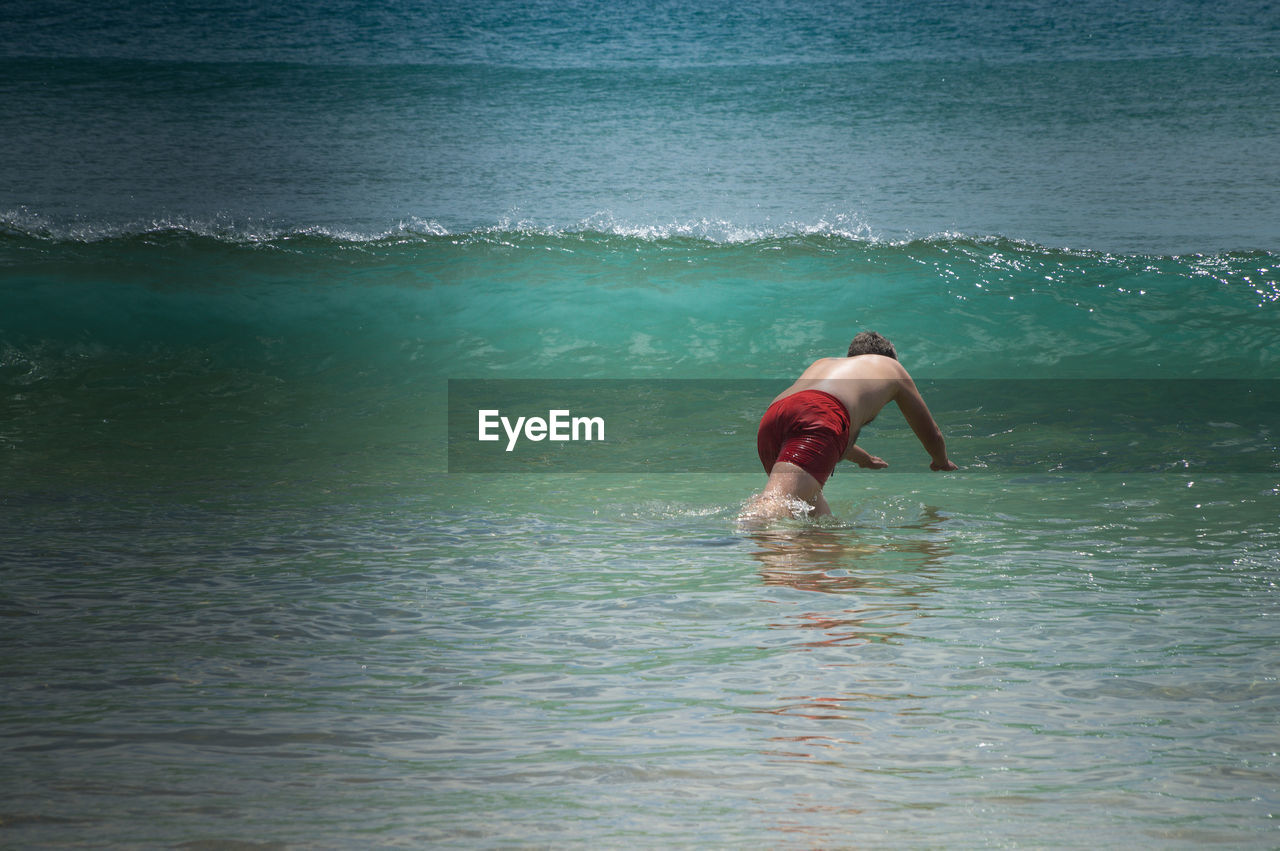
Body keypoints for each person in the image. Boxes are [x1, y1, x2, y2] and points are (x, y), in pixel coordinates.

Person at [745, 331, 957, 520]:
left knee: (818, 527)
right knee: (776, 503)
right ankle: (730, 542)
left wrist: (863, 459)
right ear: (888, 357)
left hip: (773, 418)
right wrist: (941, 461)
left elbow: (816, 430)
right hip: (820, 413)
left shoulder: (825, 363)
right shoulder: (892, 367)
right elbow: (932, 433)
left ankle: (801, 560)